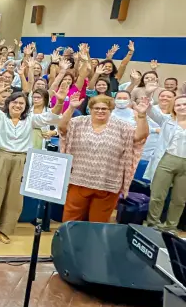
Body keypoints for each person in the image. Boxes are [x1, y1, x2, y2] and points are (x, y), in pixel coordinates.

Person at [0, 83, 69, 244]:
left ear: (26, 107)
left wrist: (59, 102)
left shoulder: (30, 120)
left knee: (14, 198)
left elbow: (51, 116)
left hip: (21, 159)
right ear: (8, 104)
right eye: (14, 102)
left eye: (21, 104)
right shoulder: (0, 117)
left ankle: (3, 229)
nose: (17, 106)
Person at [59, 94, 150, 222]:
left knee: (98, 222)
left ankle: (94, 242)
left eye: (104, 109)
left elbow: (140, 136)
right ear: (90, 109)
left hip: (109, 183)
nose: (100, 111)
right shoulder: (78, 122)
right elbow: (62, 128)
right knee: (71, 220)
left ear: (111, 110)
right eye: (96, 108)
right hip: (78, 180)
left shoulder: (122, 126)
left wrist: (141, 115)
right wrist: (71, 108)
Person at [144, 95, 186, 231]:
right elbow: (150, 111)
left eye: (185, 104)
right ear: (173, 107)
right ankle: (152, 224)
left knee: (179, 200)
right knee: (157, 196)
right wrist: (149, 94)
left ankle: (170, 226)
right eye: (178, 105)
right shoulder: (167, 120)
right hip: (166, 160)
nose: (182, 107)